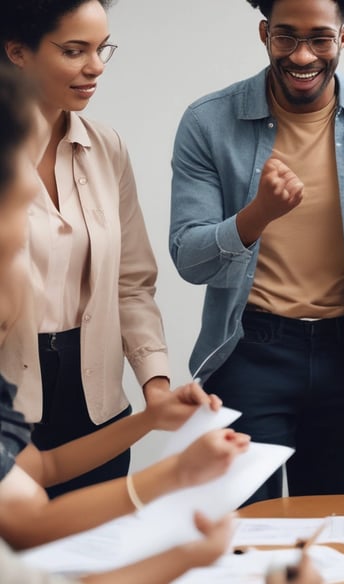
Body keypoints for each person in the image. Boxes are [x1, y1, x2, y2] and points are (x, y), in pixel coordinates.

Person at [169, 0, 344, 503]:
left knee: (332, 528)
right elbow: (190, 258)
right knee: (248, 533)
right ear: (263, 33)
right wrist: (257, 215)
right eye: (285, 37)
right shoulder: (208, 122)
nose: (301, 56)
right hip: (250, 352)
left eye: (319, 38)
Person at [0, 62, 247, 584]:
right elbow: (28, 529)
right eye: (19, 232)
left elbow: (39, 475)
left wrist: (156, 421)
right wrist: (185, 556)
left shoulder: (106, 146)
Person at [0, 0, 176, 496]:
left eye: (101, 49)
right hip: (11, 385)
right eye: (75, 50)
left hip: (94, 392)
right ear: (18, 51)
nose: (95, 66)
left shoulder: (107, 147)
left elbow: (132, 283)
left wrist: (155, 387)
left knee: (99, 554)